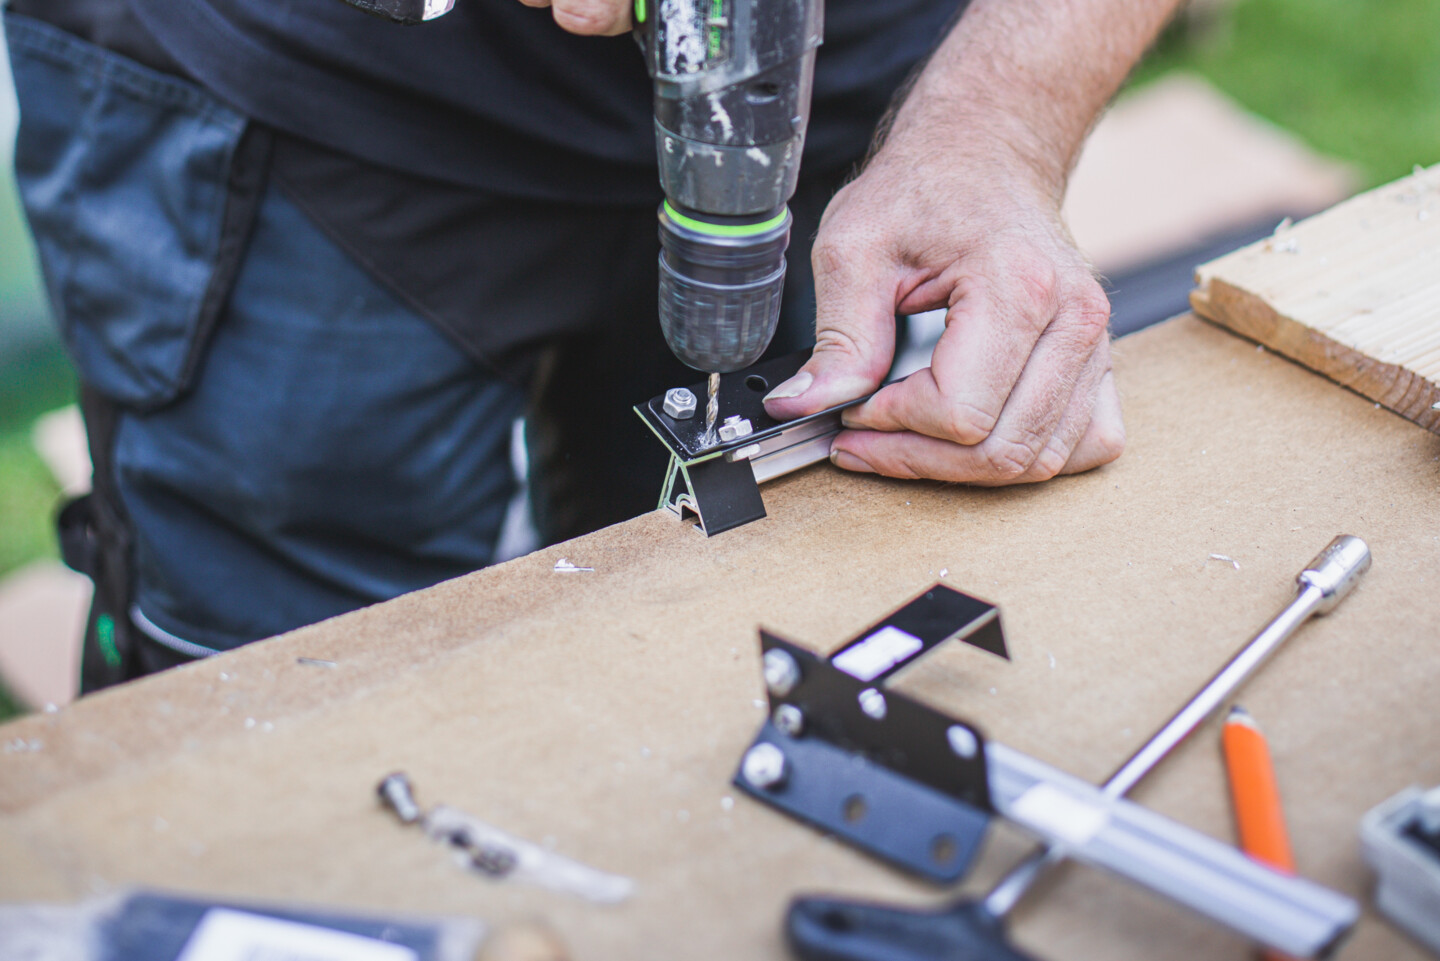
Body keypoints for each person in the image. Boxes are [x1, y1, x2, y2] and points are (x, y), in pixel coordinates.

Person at [4, 0, 1174, 691]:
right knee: (278, 702)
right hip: (305, 91)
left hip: (868, 105)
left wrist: (998, 123)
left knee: (735, 641)